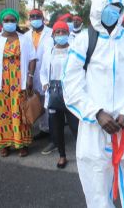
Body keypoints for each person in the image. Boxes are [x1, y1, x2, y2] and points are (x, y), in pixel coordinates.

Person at [62, 0, 124, 208]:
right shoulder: (84, 41)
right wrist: (96, 114)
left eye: (119, 7)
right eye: (111, 6)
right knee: (96, 191)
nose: (115, 11)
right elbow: (71, 86)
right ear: (98, 6)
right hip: (94, 129)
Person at [0, 8, 36, 157]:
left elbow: (32, 59)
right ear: (1, 22)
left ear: (17, 22)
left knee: (20, 112)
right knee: (2, 114)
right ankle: (4, 144)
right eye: (6, 20)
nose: (9, 23)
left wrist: (30, 77)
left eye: (13, 20)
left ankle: (21, 144)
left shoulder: (24, 39)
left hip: (19, 82)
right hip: (0, 83)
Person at [40, 21, 79, 169]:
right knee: (57, 127)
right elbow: (43, 72)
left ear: (68, 34)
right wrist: (44, 83)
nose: (61, 35)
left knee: (76, 127)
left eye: (64, 32)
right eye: (58, 32)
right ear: (53, 35)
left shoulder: (74, 51)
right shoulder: (49, 53)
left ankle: (82, 156)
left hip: (71, 93)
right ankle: (62, 156)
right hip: (54, 94)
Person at [24, 9, 55, 155]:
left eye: (38, 16)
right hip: (32, 74)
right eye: (32, 17)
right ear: (29, 19)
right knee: (38, 102)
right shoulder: (25, 36)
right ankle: (44, 129)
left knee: (49, 104)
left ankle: (53, 134)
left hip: (48, 73)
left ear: (43, 18)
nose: (35, 19)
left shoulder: (51, 33)